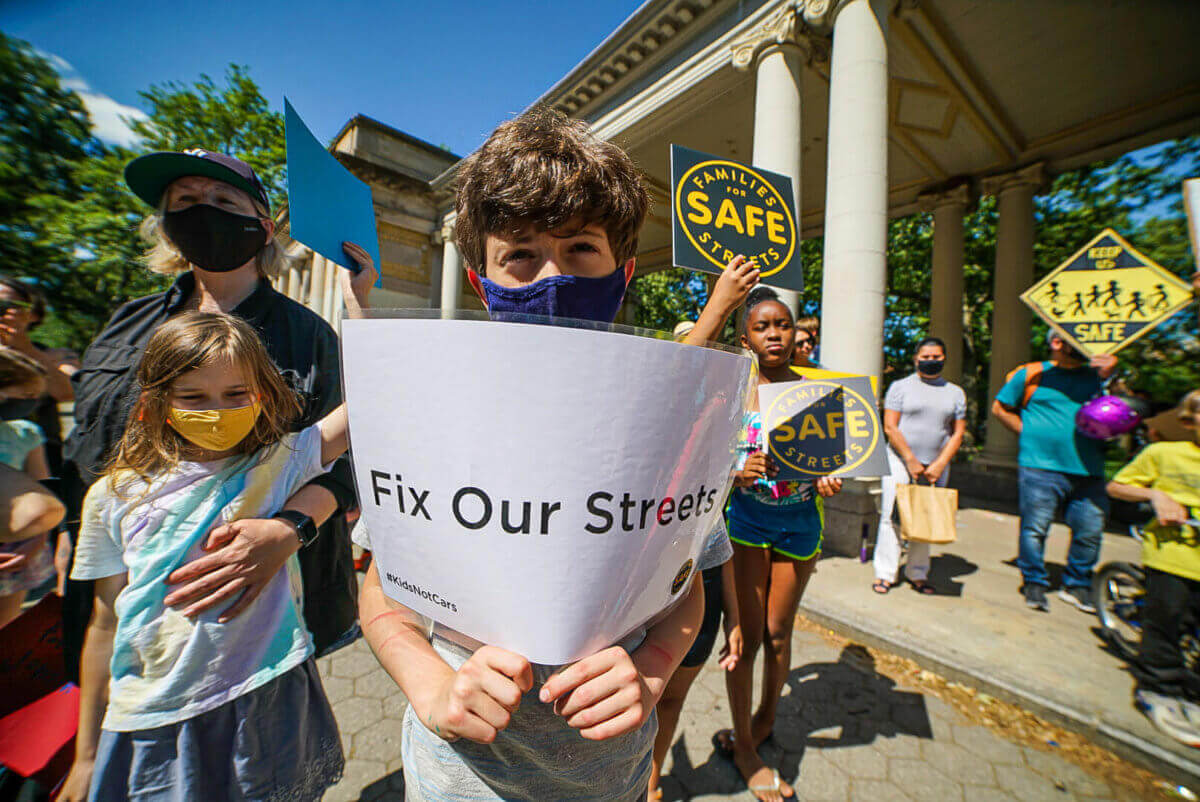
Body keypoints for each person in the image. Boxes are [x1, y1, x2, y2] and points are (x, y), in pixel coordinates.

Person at [357, 107, 717, 802]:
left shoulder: (663, 425)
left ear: (624, 270)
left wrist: (653, 669)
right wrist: (432, 684)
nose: (551, 275)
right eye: (519, 253)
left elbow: (685, 579)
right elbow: (382, 588)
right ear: (479, 279)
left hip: (608, 776)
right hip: (456, 778)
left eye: (580, 248)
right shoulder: (429, 418)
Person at [60, 148, 375, 680]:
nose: (202, 209)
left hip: (263, 615)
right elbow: (88, 443)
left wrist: (289, 529)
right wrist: (78, 528)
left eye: (222, 199)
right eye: (185, 200)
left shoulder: (310, 337)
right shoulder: (125, 324)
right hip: (129, 608)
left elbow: (354, 450)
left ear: (264, 224)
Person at [60, 313, 353, 800]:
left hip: (268, 687)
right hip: (153, 712)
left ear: (262, 393)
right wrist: (86, 754)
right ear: (158, 403)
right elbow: (104, 623)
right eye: (193, 398)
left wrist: (356, 303)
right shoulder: (112, 497)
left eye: (236, 394)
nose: (216, 412)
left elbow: (368, 402)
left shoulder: (280, 461)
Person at [714, 286, 842, 802]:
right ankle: (744, 747)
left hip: (800, 527)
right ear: (746, 338)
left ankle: (767, 717)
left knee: (779, 635)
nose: (774, 334)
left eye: (783, 325)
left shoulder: (819, 393)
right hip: (747, 525)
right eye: (763, 326)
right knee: (743, 636)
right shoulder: (732, 393)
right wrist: (737, 472)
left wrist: (834, 476)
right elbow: (706, 461)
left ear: (797, 334)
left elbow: (835, 463)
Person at [647, 257, 759, 801]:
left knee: (672, 699)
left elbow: (717, 543)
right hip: (644, 588)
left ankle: (650, 783)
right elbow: (672, 379)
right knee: (637, 696)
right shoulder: (649, 426)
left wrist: (735, 615)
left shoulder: (727, 436)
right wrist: (719, 304)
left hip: (701, 590)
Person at [991, 331, 1117, 612]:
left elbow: (1124, 412)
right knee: (1035, 529)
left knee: (1090, 530)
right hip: (1040, 468)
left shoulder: (1101, 377)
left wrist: (1111, 377)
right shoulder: (1032, 374)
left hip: (1089, 468)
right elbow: (1000, 408)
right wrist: (1028, 434)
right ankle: (1034, 581)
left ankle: (1078, 584)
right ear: (1057, 343)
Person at [1106, 390, 1200, 746]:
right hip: (1172, 555)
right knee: (1167, 621)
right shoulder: (1165, 453)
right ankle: (1158, 690)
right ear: (1189, 420)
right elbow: (1116, 486)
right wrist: (1155, 495)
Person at [872, 336, 967, 594]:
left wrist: (939, 463)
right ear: (916, 359)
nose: (930, 361)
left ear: (944, 358)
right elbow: (890, 426)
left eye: (936, 357)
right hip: (900, 461)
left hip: (937, 464)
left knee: (926, 515)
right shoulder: (900, 387)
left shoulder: (955, 392)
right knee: (892, 516)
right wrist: (911, 461)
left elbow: (957, 432)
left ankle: (918, 573)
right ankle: (885, 573)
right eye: (925, 357)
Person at [0, 349, 60, 626]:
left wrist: (37, 539)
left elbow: (42, 486)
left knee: (7, 625)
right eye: (25, 397)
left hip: (16, 547)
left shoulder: (25, 433)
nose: (31, 404)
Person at [0, 275, 80, 477]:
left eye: (7, 304)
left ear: (33, 313)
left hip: (44, 457)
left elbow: (69, 393)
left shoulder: (58, 356)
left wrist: (24, 348)